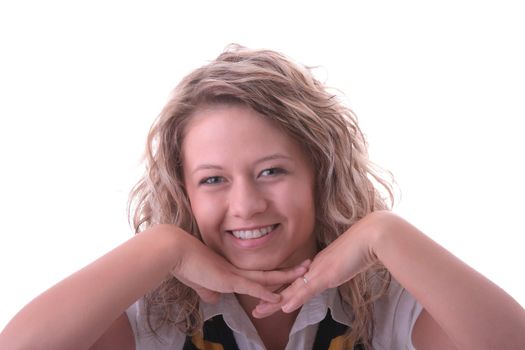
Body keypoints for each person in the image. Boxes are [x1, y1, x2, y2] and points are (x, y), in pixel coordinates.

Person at [1, 44, 524, 350]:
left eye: (271, 171)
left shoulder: (385, 295)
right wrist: (163, 246)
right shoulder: (153, 306)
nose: (246, 205)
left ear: (321, 173)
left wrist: (384, 232)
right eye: (212, 180)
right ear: (181, 190)